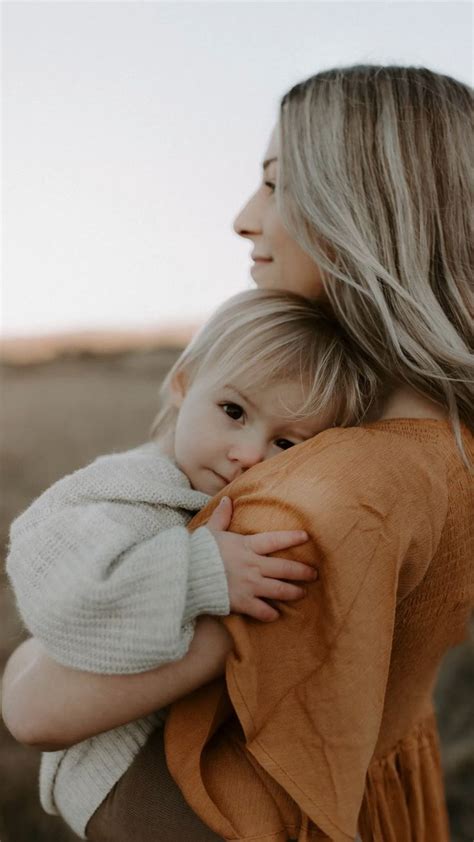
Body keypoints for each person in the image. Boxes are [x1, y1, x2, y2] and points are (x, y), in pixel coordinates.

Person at [2, 64, 473, 842]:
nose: (244, 219)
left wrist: (24, 662)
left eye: (276, 184)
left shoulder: (317, 496)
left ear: (363, 203)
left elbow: (34, 707)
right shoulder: (444, 441)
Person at [5, 288, 380, 839]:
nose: (249, 454)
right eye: (233, 412)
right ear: (183, 383)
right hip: (120, 771)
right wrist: (197, 570)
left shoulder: (210, 487)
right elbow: (64, 598)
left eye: (286, 442)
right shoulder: (121, 491)